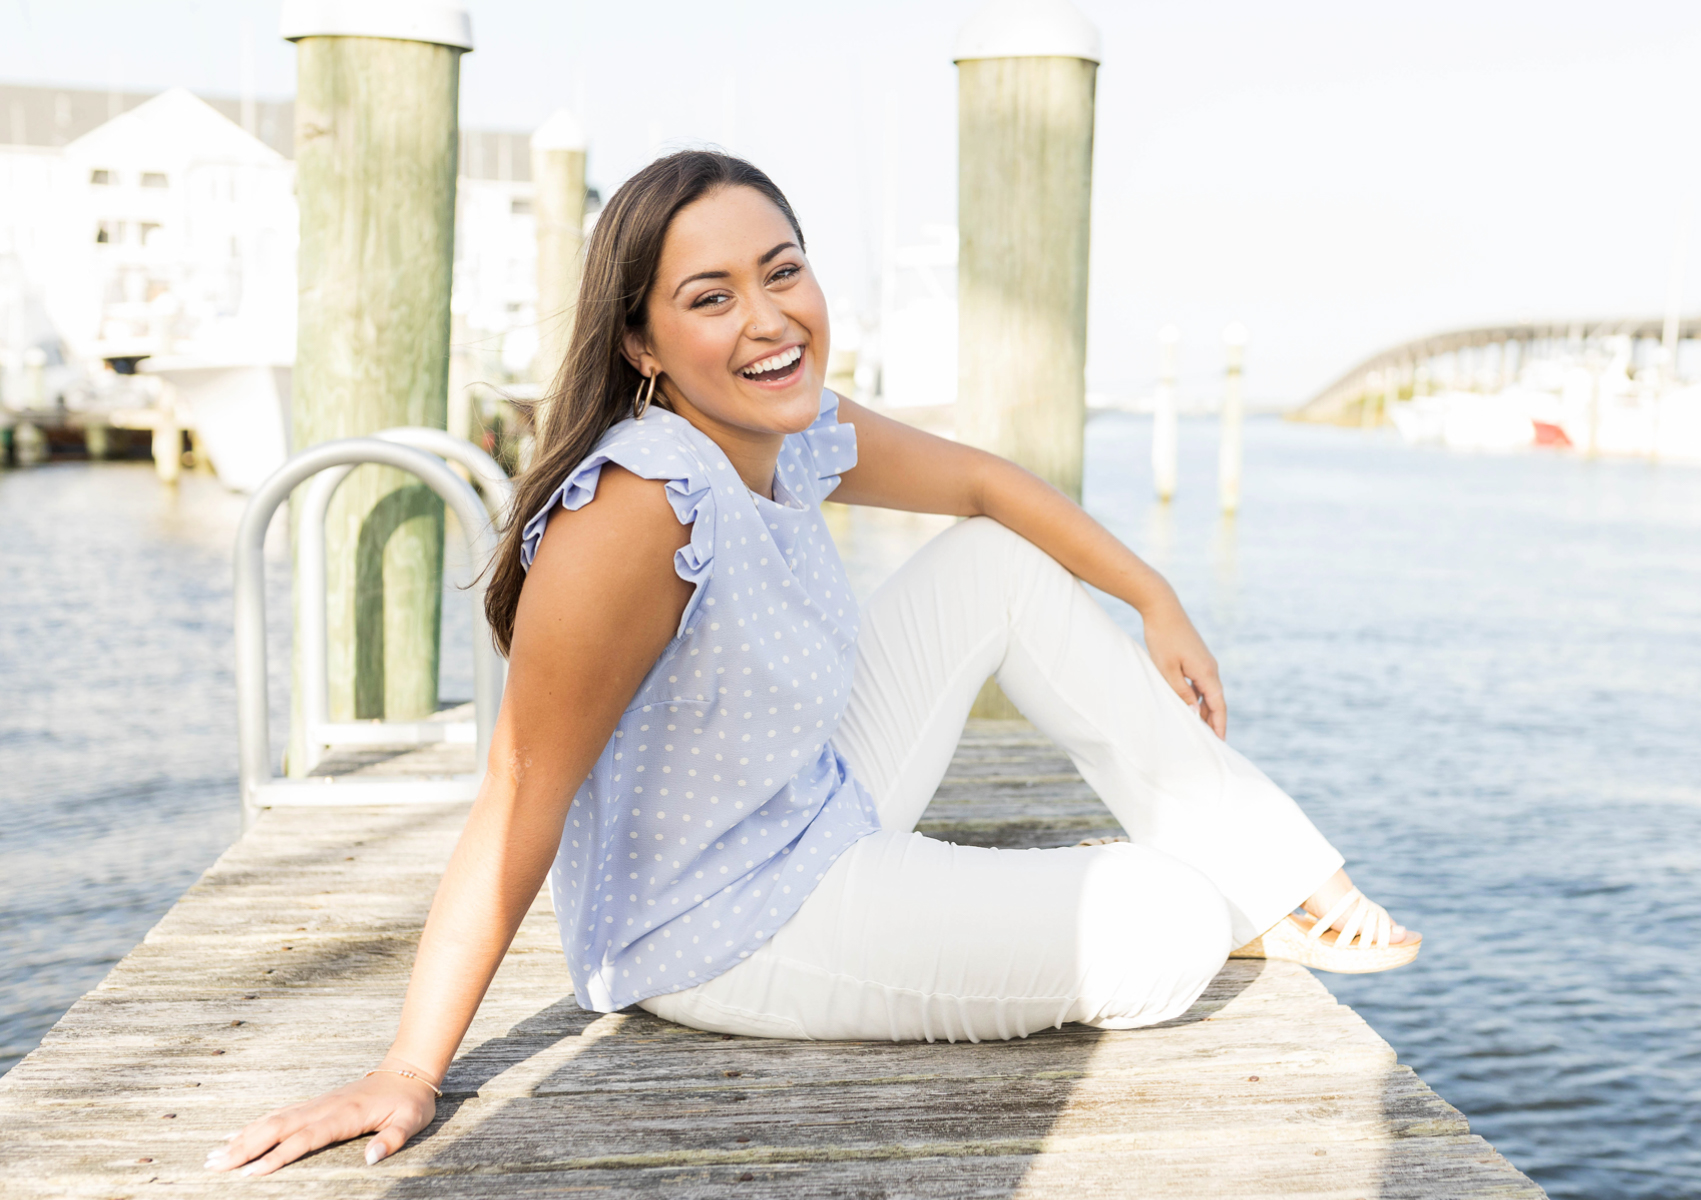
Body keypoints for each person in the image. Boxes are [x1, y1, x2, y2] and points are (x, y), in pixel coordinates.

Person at [206, 151, 1420, 1178]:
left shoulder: (781, 432)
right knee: (1167, 933)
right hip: (730, 926)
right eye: (712, 296)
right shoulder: (638, 510)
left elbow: (986, 483)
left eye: (782, 271)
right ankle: (1206, 893)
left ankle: (1271, 872)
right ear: (642, 338)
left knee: (990, 567)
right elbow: (521, 792)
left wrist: (1154, 597)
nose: (770, 318)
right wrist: (410, 1070)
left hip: (811, 805)